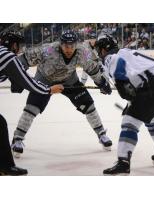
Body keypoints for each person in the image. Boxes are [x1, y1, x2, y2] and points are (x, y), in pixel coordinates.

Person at [11, 30, 112, 158]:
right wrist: (17, 78)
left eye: (72, 45)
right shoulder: (48, 50)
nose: (69, 49)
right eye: (66, 46)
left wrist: (102, 83)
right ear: (60, 44)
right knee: (31, 109)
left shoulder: (83, 52)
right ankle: (17, 139)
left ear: (76, 44)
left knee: (88, 105)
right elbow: (24, 59)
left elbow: (92, 67)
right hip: (45, 80)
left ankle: (102, 134)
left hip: (69, 81)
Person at [95, 34, 154, 175]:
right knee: (152, 119)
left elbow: (122, 80)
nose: (99, 53)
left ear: (103, 50)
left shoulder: (110, 57)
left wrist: (129, 105)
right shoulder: (127, 52)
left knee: (130, 122)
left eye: (99, 50)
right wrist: (132, 103)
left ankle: (123, 162)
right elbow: (135, 81)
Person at [0, 32, 64, 175]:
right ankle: (5, 166)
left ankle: (4, 166)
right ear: (14, 45)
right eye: (19, 46)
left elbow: (14, 83)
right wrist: (49, 90)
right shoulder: (7, 56)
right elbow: (29, 83)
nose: (20, 49)